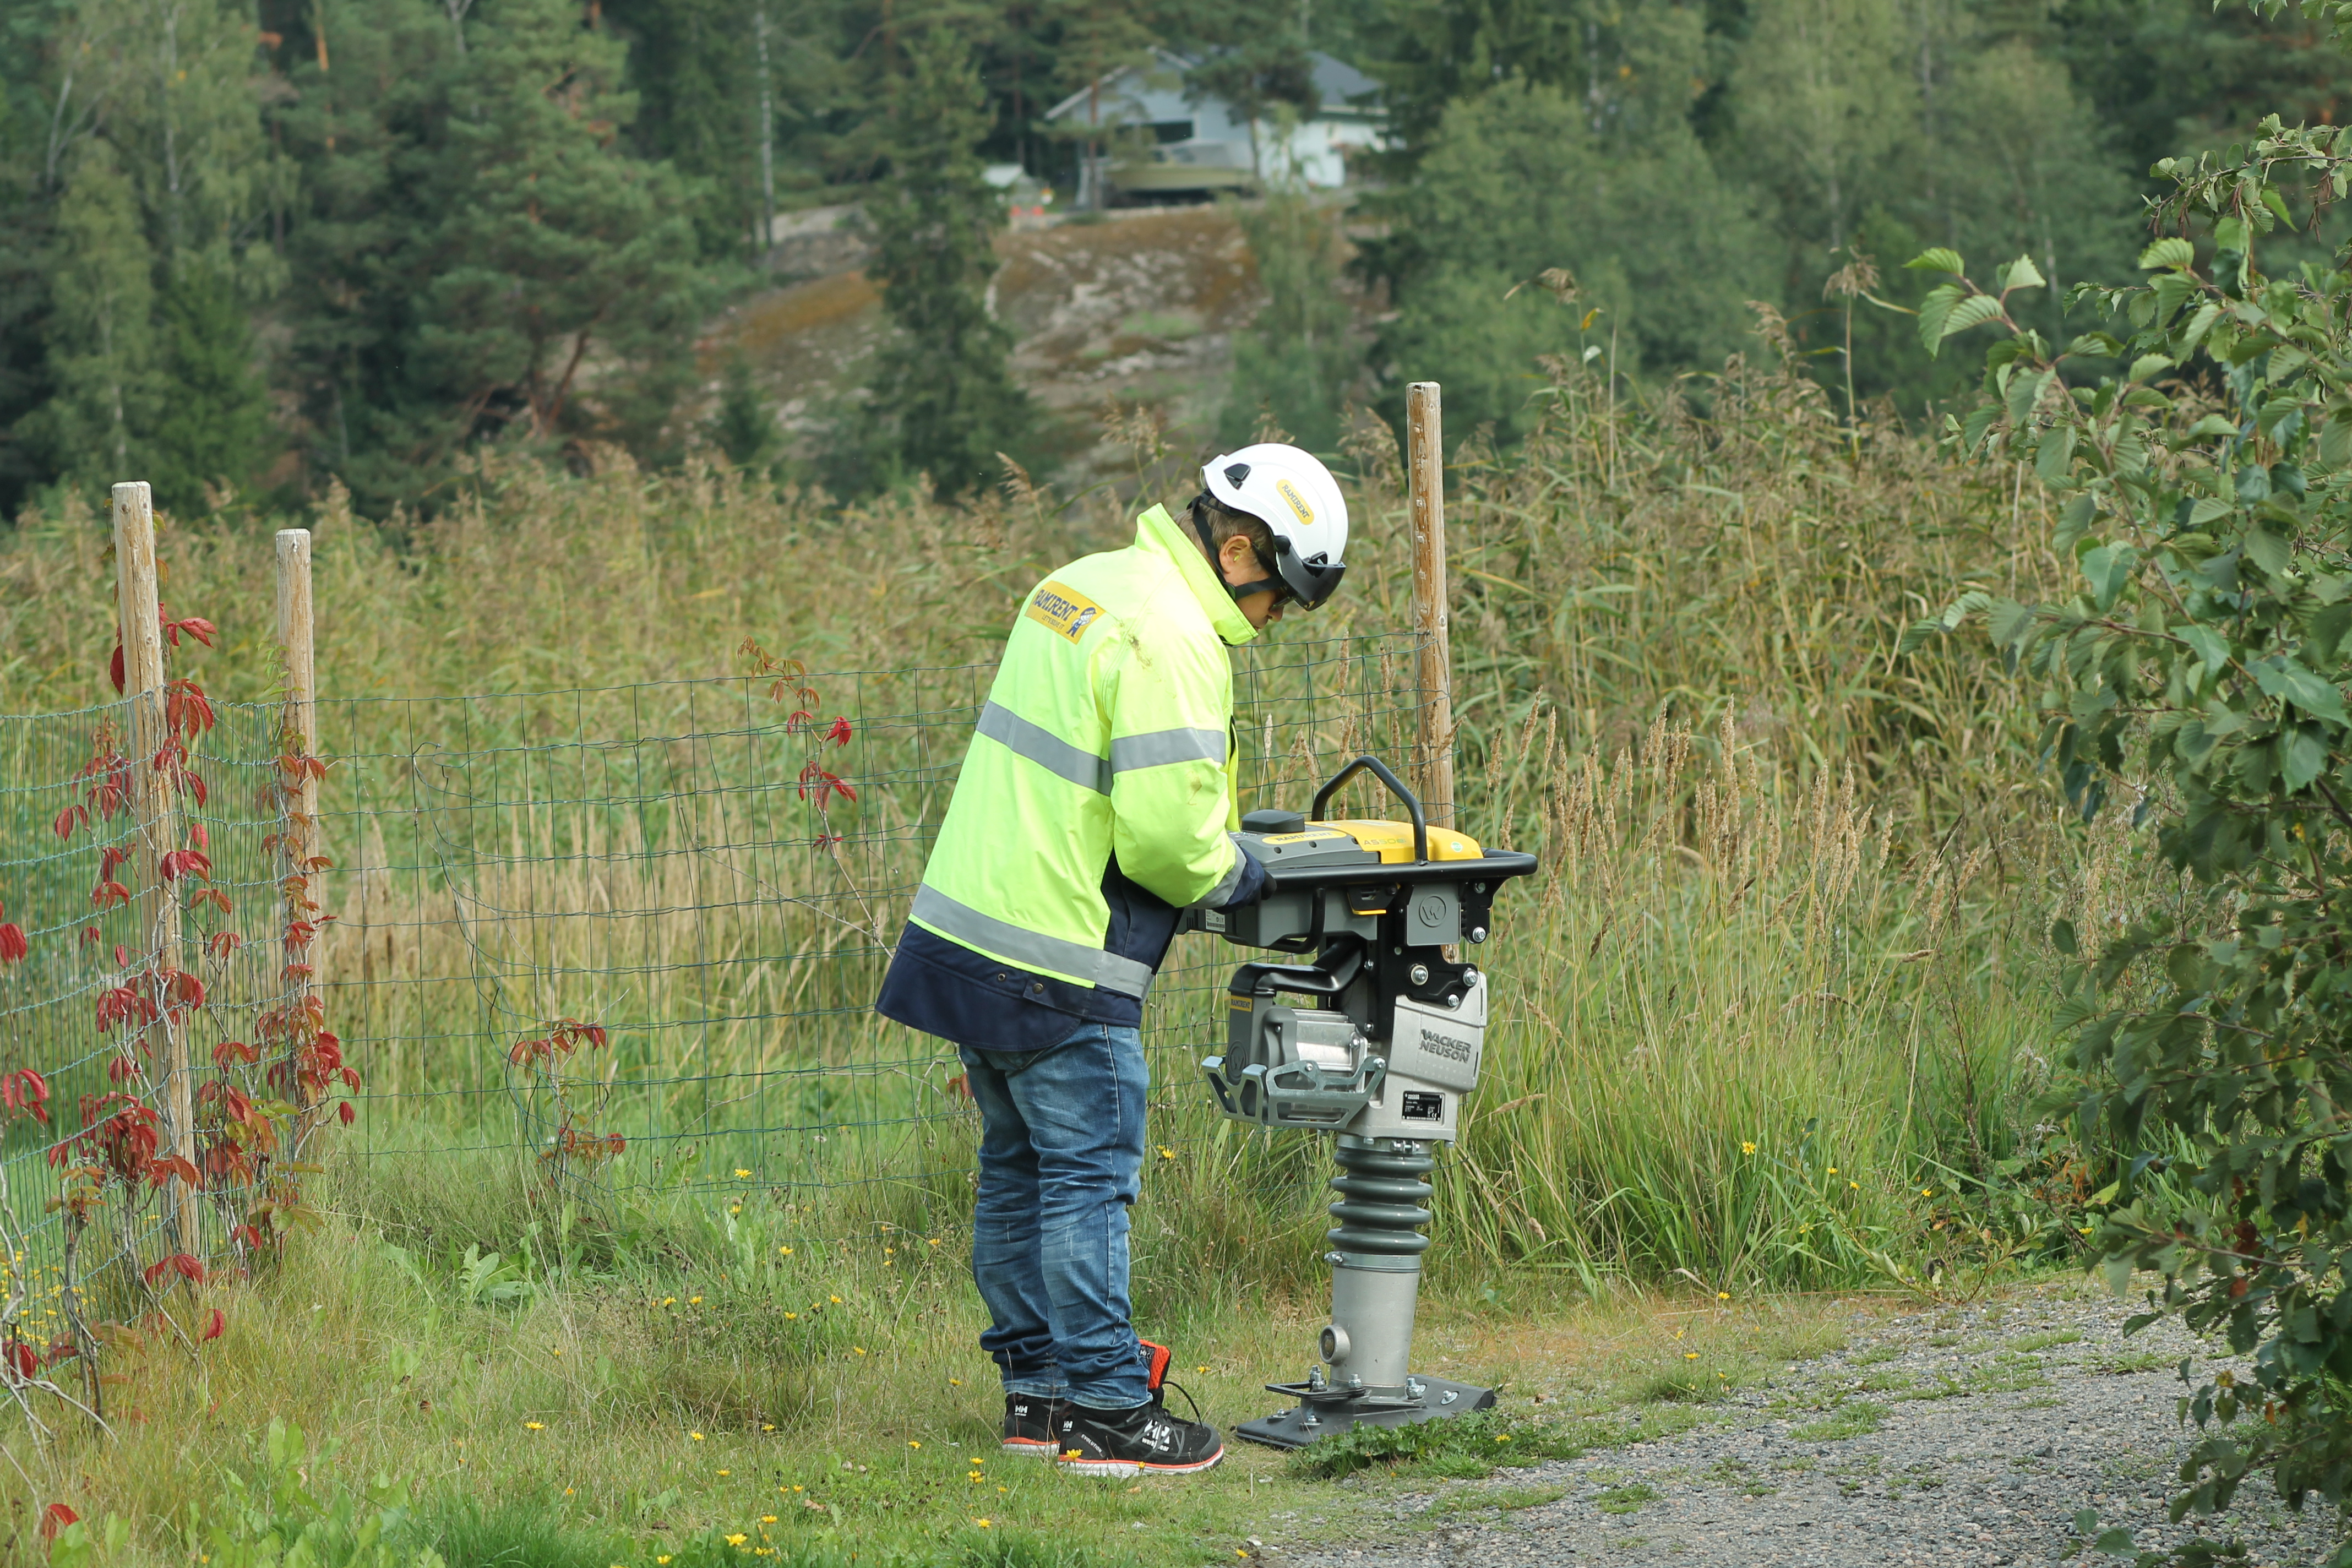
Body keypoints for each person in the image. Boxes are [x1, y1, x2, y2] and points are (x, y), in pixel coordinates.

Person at [875, 444, 1351, 1477]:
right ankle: (1104, 1410)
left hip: (973, 930)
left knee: (1016, 1172)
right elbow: (1168, 849)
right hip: (1059, 947)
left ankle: (1036, 1399)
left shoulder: (1078, 586)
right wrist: (1245, 875)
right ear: (1238, 552)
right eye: (1281, 601)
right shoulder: (1175, 635)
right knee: (1089, 1178)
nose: (1274, 625)